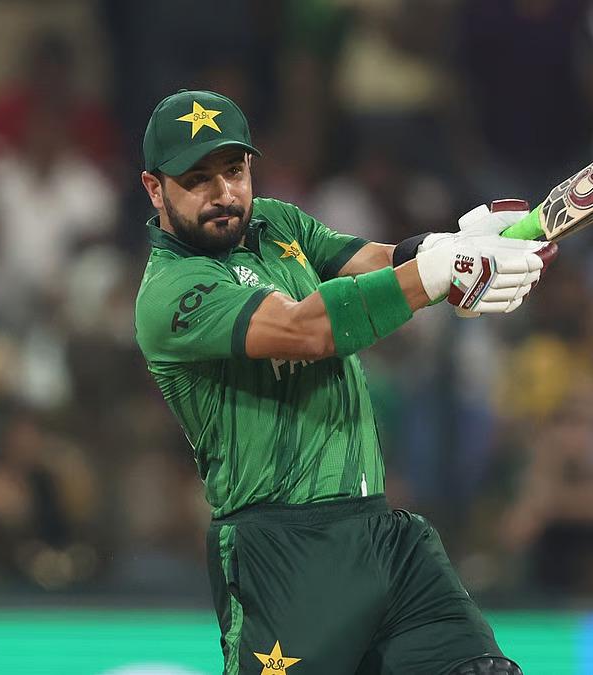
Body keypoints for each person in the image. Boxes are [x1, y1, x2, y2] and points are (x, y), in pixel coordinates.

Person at [133, 90, 554, 675]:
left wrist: (450, 247)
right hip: (283, 554)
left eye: (234, 170)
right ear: (155, 189)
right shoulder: (170, 293)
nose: (224, 193)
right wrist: (437, 275)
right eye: (197, 179)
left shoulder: (276, 222)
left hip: (384, 538)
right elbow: (306, 329)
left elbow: (375, 261)